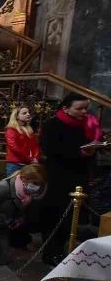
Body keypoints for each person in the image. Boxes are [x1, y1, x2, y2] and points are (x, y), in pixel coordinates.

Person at [40, 93, 97, 265]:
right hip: (58, 177)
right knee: (55, 216)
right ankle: (50, 252)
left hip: (79, 176)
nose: (84, 112)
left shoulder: (85, 126)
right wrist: (79, 152)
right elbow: (50, 150)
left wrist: (92, 151)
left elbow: (87, 151)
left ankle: (63, 248)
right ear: (65, 108)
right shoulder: (52, 125)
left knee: (71, 217)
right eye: (79, 108)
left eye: (86, 108)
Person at [5, 106, 40, 176]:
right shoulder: (11, 129)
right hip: (15, 164)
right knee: (13, 186)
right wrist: (30, 159)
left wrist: (36, 157)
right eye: (24, 113)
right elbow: (14, 147)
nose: (28, 114)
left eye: (28, 112)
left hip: (28, 164)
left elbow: (35, 146)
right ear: (17, 116)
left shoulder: (29, 129)